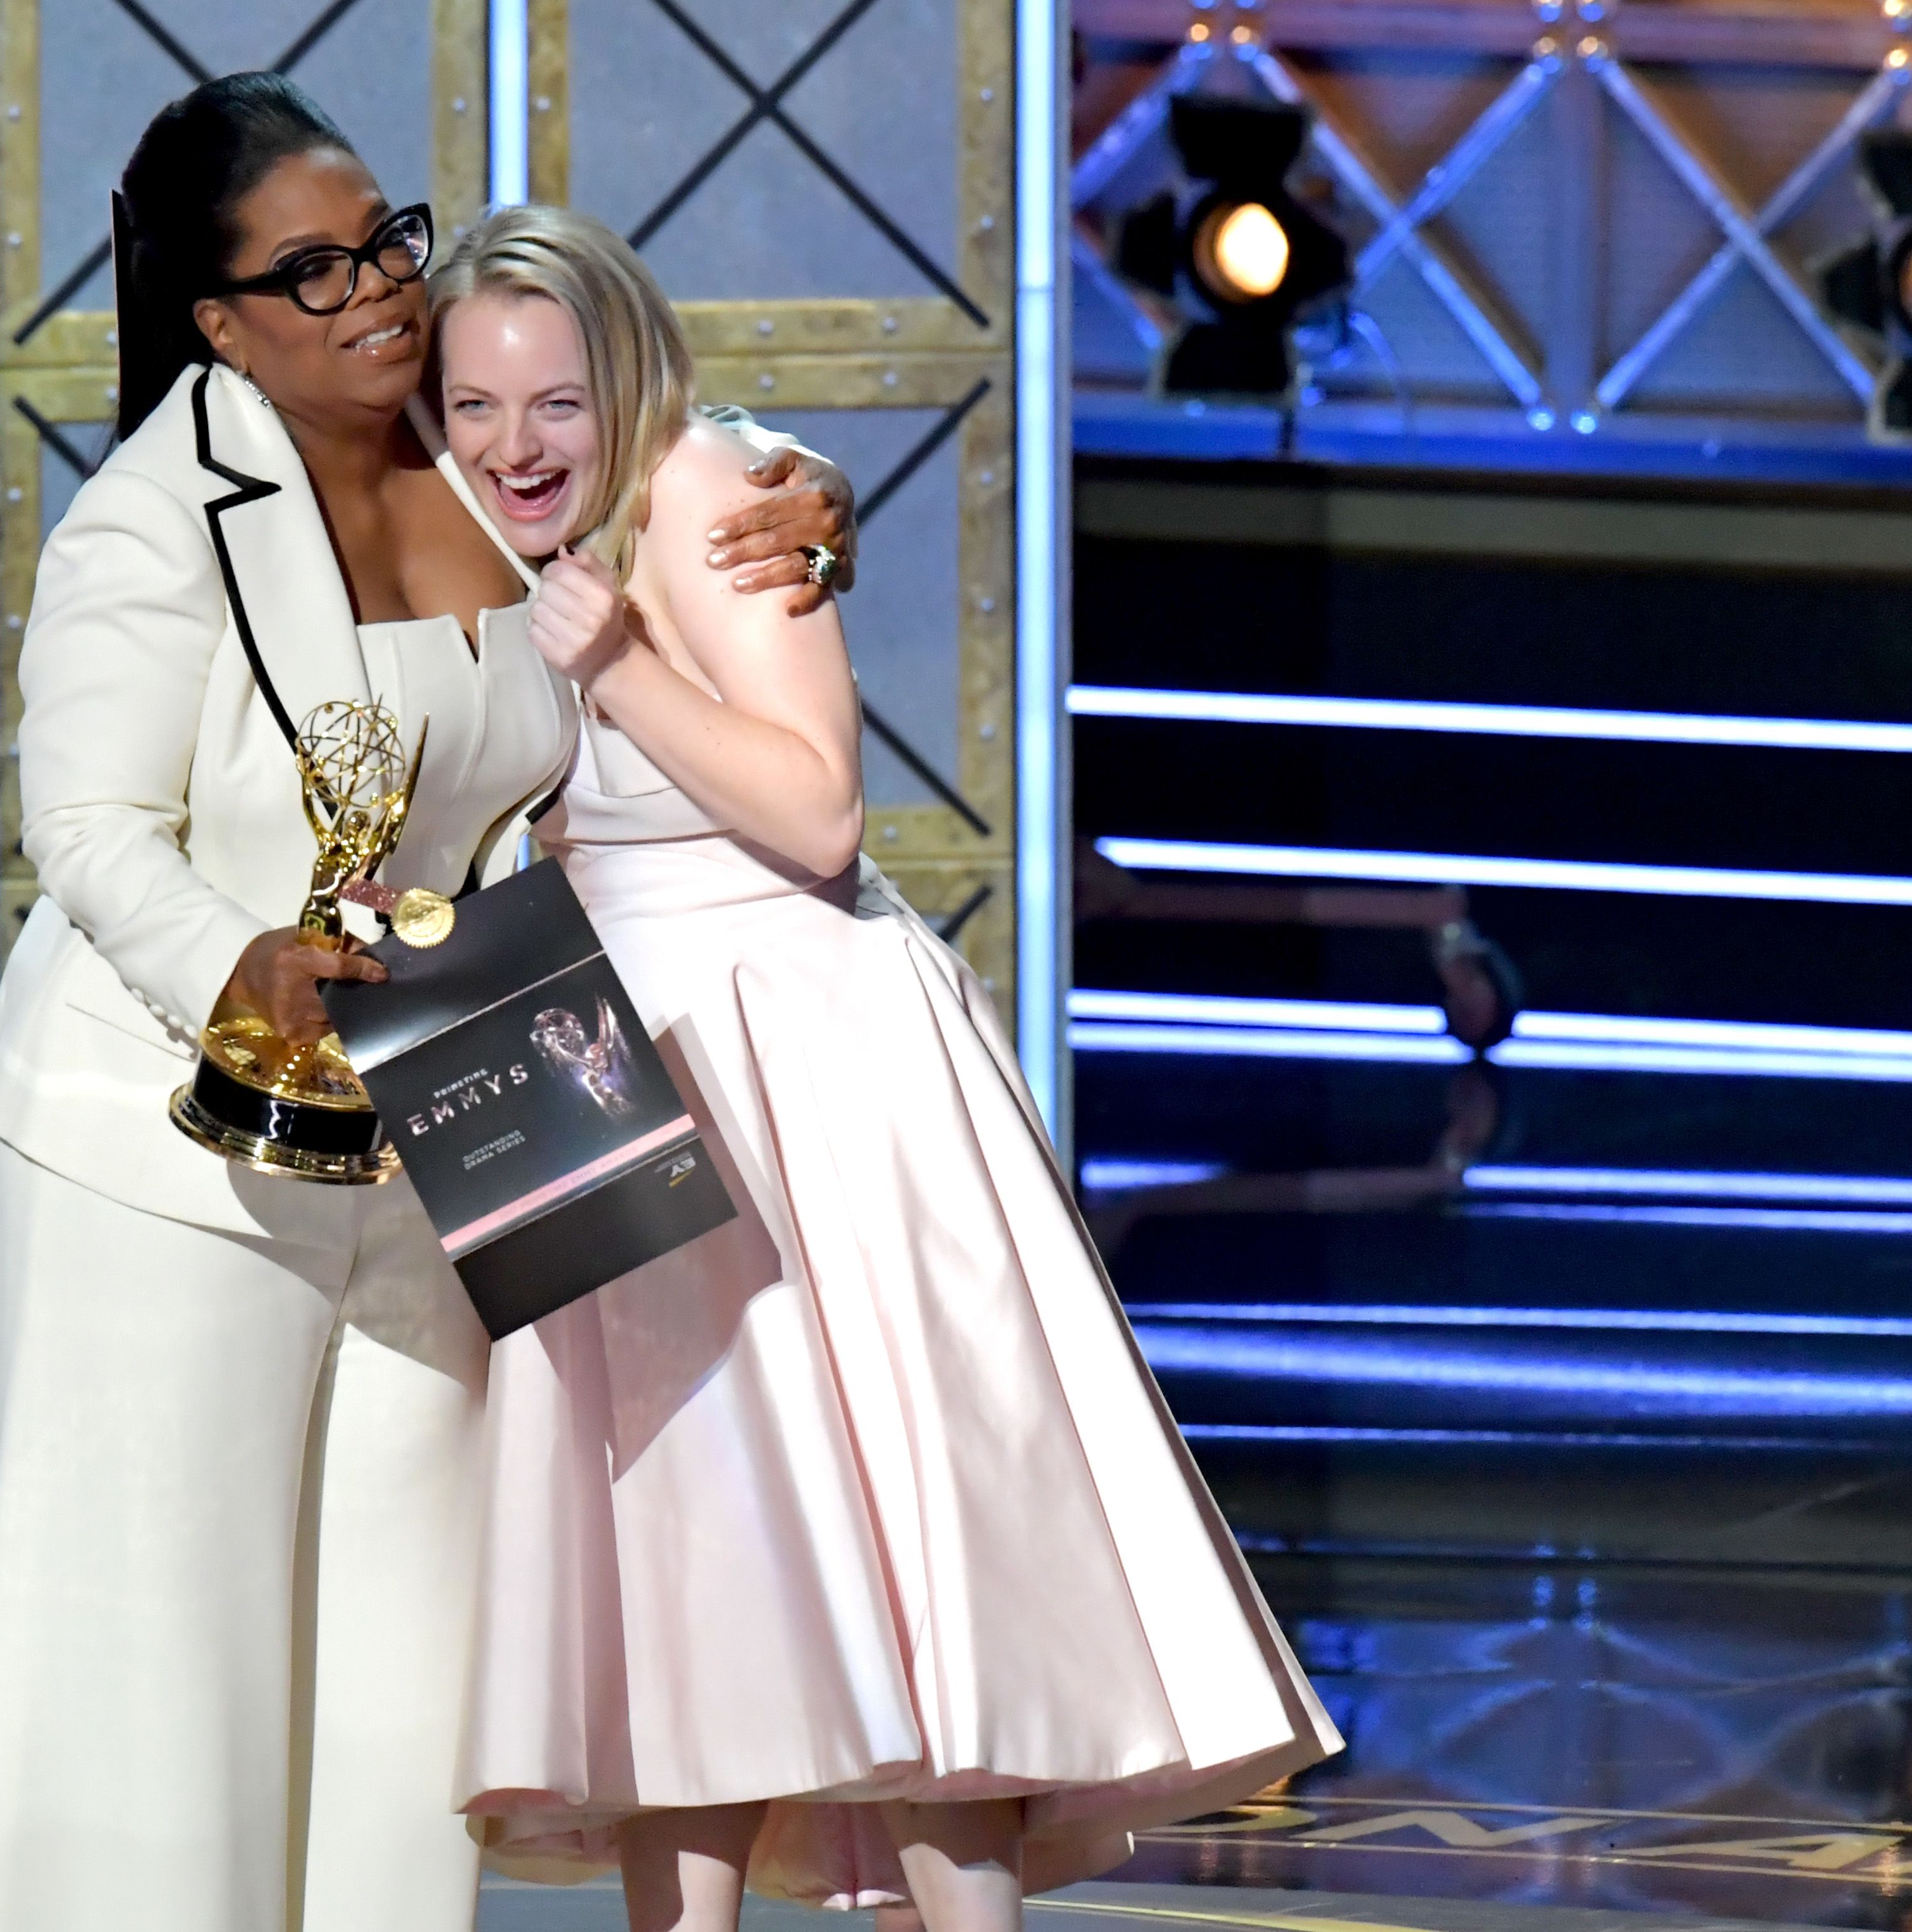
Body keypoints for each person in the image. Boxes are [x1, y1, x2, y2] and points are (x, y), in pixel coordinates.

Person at [0, 79, 855, 1932]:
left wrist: (794, 493)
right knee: (161, 1663)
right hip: (175, 1143)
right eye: (314, 268)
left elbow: (651, 443)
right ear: (218, 324)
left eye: (387, 241)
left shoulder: (471, 448)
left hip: (452, 1100)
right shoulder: (153, 521)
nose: (376, 290)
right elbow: (89, 826)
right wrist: (239, 965)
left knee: (410, 1675)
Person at [430, 204, 1342, 1932]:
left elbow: (817, 809)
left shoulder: (707, 492)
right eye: (475, 406)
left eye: (552, 401)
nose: (512, 442)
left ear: (623, 375)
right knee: (681, 1592)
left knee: (909, 1579)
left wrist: (619, 661)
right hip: (600, 1053)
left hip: (794, 1064)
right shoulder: (488, 535)